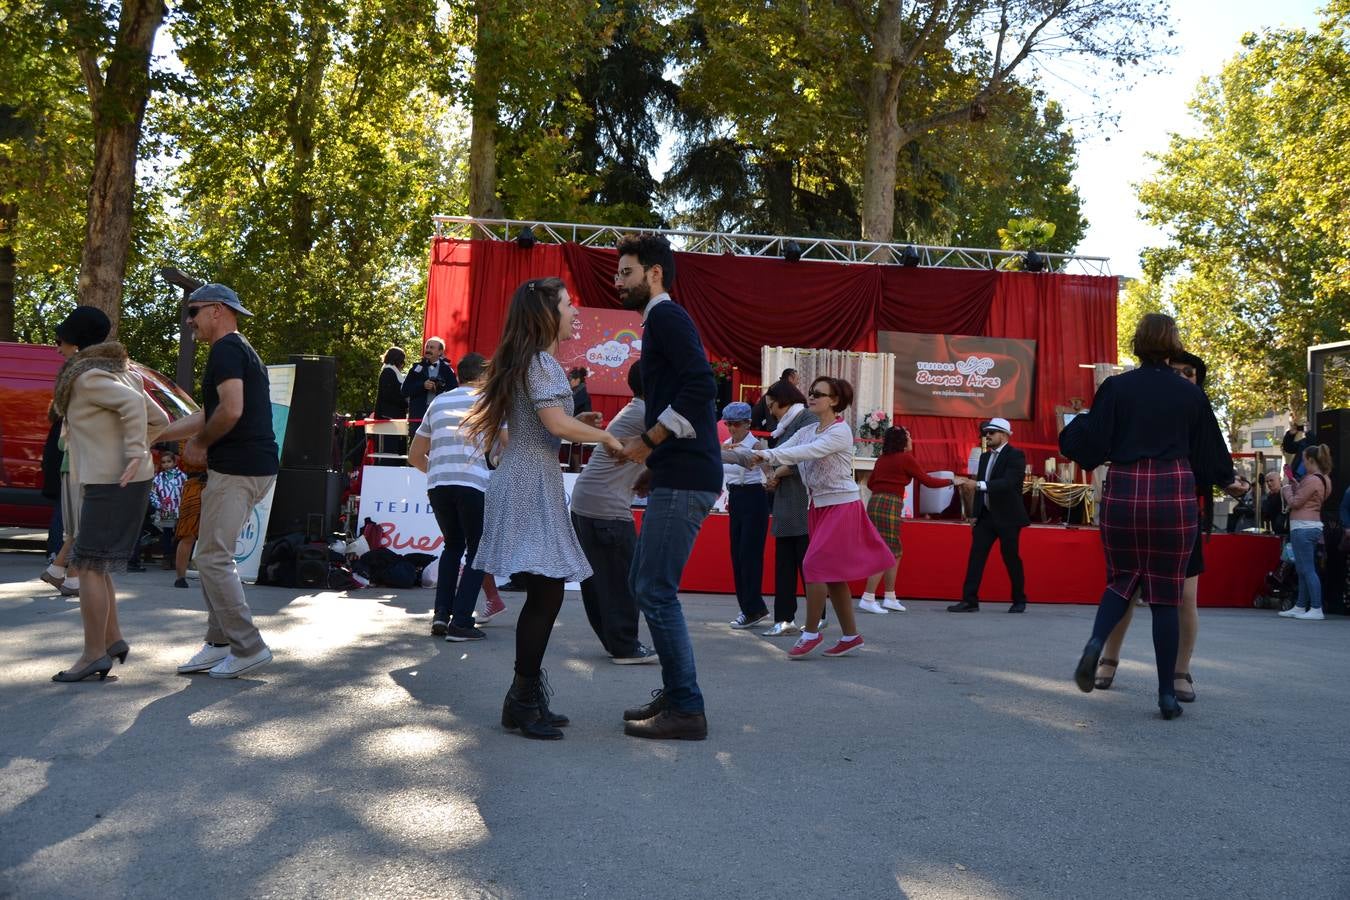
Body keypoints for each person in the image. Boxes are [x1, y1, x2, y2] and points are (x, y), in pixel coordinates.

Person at [465, 277, 623, 740]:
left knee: (546, 591)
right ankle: (521, 698)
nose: (576, 312)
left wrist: (581, 424)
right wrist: (606, 435)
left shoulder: (531, 362)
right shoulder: (543, 364)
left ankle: (525, 696)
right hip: (530, 481)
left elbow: (548, 424)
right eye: (569, 305)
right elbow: (554, 423)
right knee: (547, 591)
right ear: (547, 313)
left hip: (527, 477)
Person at [1061, 312, 1238, 720]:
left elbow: (1090, 443)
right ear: (1173, 344)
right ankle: (1166, 694)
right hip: (1172, 492)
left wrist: (1071, 434)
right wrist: (1228, 481)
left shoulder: (1116, 388)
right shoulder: (1190, 394)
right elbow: (1211, 454)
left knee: (1121, 580)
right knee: (1165, 595)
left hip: (1124, 488)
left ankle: (1096, 644)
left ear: (1138, 343)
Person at [613, 234, 722, 741]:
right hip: (677, 473)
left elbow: (702, 385)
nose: (618, 281)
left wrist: (649, 441)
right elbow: (687, 392)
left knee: (654, 591)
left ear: (654, 273)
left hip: (687, 477)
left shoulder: (664, 316)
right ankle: (677, 695)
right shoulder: (658, 319)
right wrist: (654, 460)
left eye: (626, 272)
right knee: (646, 585)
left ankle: (686, 707)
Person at [1092, 350, 1235, 702]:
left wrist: (1226, 480)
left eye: (1190, 372)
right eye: (1177, 371)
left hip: (1182, 516)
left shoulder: (1196, 412)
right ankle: (1108, 659)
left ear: (1198, 381)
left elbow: (1213, 461)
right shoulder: (1150, 409)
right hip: (1148, 507)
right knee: (1126, 590)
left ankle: (1180, 671)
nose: (1184, 376)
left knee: (1185, 597)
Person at [158, 284, 280, 679]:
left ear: (216, 310)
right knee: (211, 555)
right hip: (247, 468)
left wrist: (200, 443)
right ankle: (218, 642)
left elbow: (229, 411)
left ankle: (248, 646)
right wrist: (154, 436)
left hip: (238, 469)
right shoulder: (237, 349)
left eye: (193, 311)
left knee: (212, 558)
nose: (189, 321)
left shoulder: (227, 349)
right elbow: (210, 412)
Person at [49, 306, 166, 682]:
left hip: (110, 482)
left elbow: (134, 408)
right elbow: (160, 420)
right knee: (96, 564)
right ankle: (112, 639)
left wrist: (134, 451)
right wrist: (139, 451)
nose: (57, 348)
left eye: (60, 339)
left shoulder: (87, 378)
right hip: (123, 480)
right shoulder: (124, 372)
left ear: (75, 341)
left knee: (84, 566)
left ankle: (92, 654)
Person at [749, 376, 893, 659]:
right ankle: (851, 636)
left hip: (843, 507)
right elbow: (790, 452)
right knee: (833, 574)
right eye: (811, 392)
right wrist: (750, 453)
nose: (811, 397)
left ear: (835, 401)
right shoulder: (809, 429)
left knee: (813, 564)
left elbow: (806, 452)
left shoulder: (840, 432)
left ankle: (811, 632)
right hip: (819, 507)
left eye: (818, 394)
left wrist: (768, 456)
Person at [570, 363, 658, 664]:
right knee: (622, 580)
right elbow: (690, 445)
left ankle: (615, 641)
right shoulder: (648, 415)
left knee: (599, 582)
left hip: (586, 503)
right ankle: (625, 646)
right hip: (606, 509)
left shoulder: (634, 411)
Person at [409, 352, 496, 642]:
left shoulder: (438, 402)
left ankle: (441, 616)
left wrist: (438, 472)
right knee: (478, 550)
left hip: (439, 485)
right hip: (472, 483)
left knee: (453, 546)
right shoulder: (490, 402)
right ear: (483, 376)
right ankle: (461, 622)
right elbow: (505, 446)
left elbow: (415, 455)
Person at [858, 425, 954, 615]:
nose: (911, 440)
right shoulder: (905, 459)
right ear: (902, 441)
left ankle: (890, 596)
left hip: (876, 502)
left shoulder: (883, 459)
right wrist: (952, 481)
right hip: (889, 504)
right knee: (886, 551)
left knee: (895, 551)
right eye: (908, 437)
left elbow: (870, 483)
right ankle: (868, 597)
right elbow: (928, 481)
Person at [947, 417, 1029, 613]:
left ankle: (1019, 599)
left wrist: (978, 485)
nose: (988, 435)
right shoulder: (984, 457)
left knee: (1010, 557)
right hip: (986, 516)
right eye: (986, 433)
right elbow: (980, 490)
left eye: (992, 432)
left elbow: (1008, 483)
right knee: (976, 556)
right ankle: (970, 600)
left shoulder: (1016, 455)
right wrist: (974, 514)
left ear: (1004, 434)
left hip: (1008, 516)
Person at [760, 378, 815, 636]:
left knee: (807, 563)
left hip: (803, 501)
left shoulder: (806, 419)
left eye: (773, 406)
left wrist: (775, 475)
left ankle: (817, 617)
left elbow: (800, 457)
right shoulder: (784, 426)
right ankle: (784, 619)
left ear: (785, 401)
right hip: (785, 500)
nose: (771, 412)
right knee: (784, 563)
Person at [720, 401, 771, 630]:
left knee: (749, 554)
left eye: (736, 424)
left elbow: (770, 475)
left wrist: (772, 478)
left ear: (748, 423)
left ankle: (752, 608)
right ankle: (749, 607)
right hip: (736, 498)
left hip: (754, 497)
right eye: (729, 424)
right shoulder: (725, 444)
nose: (732, 429)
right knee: (737, 555)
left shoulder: (757, 445)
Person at [1277, 444, 1334, 621]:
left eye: (1303, 460)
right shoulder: (1325, 479)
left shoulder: (1311, 479)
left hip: (1303, 526)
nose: (1302, 463)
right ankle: (1301, 606)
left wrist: (1286, 488)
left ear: (1310, 460)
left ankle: (1316, 607)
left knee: (1307, 569)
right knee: (1303, 569)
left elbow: (1295, 502)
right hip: (1312, 525)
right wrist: (1297, 485)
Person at [173, 445, 207, 588]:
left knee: (217, 536)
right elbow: (190, 458)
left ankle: (214, 578)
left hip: (218, 485)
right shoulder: (189, 434)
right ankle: (180, 577)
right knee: (188, 535)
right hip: (195, 485)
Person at [401, 337, 457, 424]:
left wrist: (440, 388)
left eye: (432, 347)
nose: (428, 350)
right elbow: (405, 390)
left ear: (440, 352)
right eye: (427, 347)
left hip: (440, 414)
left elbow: (453, 392)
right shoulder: (415, 368)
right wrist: (422, 386)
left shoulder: (447, 370)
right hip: (418, 416)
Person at [149, 446, 187, 568]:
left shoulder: (182, 476)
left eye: (169, 461)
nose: (166, 464)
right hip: (166, 509)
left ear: (175, 462)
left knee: (179, 534)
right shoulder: (158, 478)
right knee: (166, 533)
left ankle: (176, 558)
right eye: (163, 462)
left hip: (180, 509)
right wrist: (159, 504)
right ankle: (166, 557)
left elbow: (186, 491)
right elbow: (153, 492)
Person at [374, 347, 408, 462]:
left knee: (396, 449)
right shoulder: (388, 372)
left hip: (394, 417)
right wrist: (405, 402)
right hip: (388, 418)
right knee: (389, 450)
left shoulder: (392, 372)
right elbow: (389, 395)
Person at [751, 367, 799, 432]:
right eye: (797, 379)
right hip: (755, 421)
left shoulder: (784, 387)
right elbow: (770, 408)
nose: (798, 382)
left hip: (763, 420)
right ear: (790, 378)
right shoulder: (778, 388)